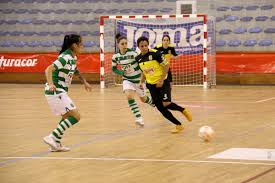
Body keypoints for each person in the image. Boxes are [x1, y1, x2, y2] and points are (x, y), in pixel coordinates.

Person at [43, 34, 92, 152]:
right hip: (55, 91)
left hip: (60, 91)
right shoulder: (65, 57)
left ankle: (56, 143)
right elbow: (48, 69)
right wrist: (51, 84)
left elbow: (75, 70)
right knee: (76, 116)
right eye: (80, 43)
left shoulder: (72, 57)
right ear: (74, 45)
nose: (82, 46)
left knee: (66, 117)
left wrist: (84, 82)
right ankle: (52, 136)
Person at [136, 36, 192, 133]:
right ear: (139, 47)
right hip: (151, 85)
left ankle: (183, 110)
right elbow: (143, 72)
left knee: (166, 103)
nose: (144, 47)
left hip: (163, 82)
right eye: (142, 46)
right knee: (161, 108)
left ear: (148, 45)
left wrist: (161, 80)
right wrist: (141, 82)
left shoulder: (155, 54)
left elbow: (166, 65)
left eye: (145, 45)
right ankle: (179, 125)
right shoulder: (138, 58)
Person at [112, 33, 154, 127]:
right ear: (118, 44)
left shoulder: (133, 53)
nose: (124, 45)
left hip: (138, 80)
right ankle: (139, 118)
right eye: (122, 44)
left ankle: (153, 103)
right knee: (129, 96)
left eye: (126, 43)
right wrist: (121, 73)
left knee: (143, 99)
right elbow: (114, 68)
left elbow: (141, 63)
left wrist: (144, 70)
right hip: (127, 80)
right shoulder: (115, 57)